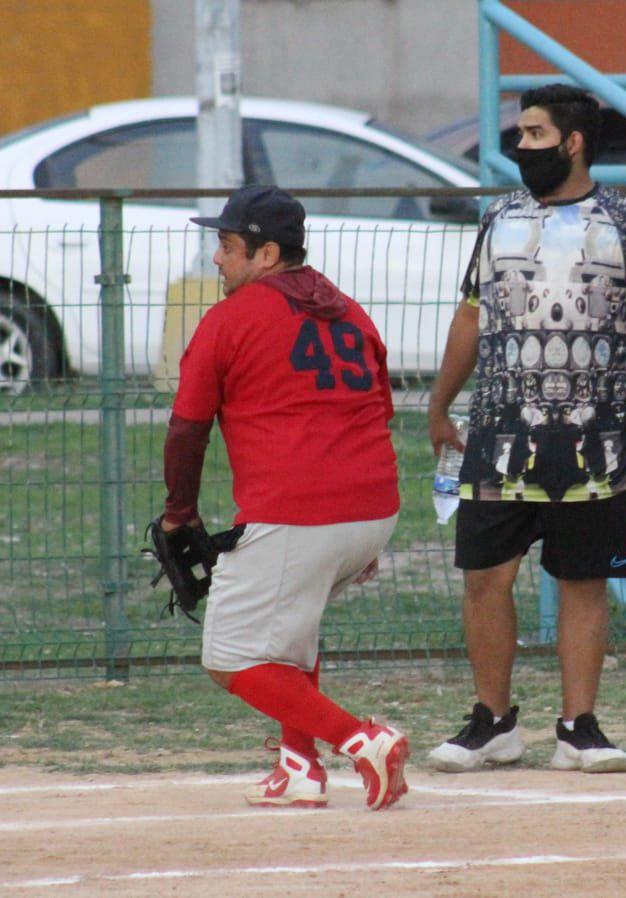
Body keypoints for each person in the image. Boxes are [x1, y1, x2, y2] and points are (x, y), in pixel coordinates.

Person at [425, 84, 626, 774]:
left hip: (597, 444)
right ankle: (492, 722)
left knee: (584, 582)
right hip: (497, 438)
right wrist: (439, 403)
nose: (520, 147)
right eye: (520, 134)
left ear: (573, 143)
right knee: (484, 578)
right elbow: (471, 316)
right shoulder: (497, 219)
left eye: (533, 134)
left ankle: (579, 727)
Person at [162, 185, 408, 810]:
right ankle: (299, 768)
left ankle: (362, 740)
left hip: (301, 511)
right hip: (372, 508)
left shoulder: (230, 319)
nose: (217, 258)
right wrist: (360, 532)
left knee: (229, 658)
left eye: (227, 245)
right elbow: (380, 412)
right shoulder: (350, 310)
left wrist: (180, 513)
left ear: (267, 253)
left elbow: (188, 427)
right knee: (290, 636)